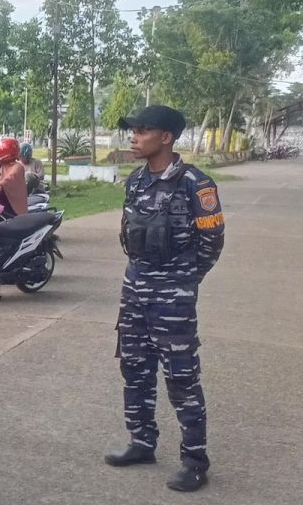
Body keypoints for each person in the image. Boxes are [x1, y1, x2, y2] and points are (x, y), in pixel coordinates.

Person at [104, 105, 224, 493]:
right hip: (135, 287)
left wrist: (185, 279)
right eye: (133, 130)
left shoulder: (196, 184)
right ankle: (142, 442)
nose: (134, 136)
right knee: (135, 369)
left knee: (181, 378)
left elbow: (212, 241)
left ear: (167, 137)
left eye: (143, 130)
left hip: (173, 296)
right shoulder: (136, 181)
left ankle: (194, 460)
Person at [0, 137, 27, 217]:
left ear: (4, 153)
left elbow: (10, 179)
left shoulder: (18, 167)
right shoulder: (1, 167)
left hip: (11, 207)